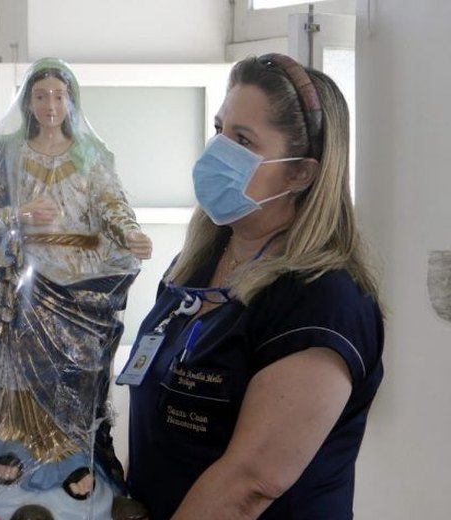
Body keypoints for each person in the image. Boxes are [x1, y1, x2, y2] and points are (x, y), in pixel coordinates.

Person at [122, 53, 384, 519]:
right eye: (219, 129)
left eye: (242, 140)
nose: (218, 151)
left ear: (300, 172)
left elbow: (251, 484)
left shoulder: (322, 301)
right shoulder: (195, 266)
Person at [0, 57, 151, 519]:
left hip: (82, 282)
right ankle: (18, 446)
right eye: (40, 95)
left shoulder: (91, 155)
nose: (50, 104)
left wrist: (129, 233)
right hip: (26, 281)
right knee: (24, 365)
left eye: (59, 95)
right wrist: (15, 217)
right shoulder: (7, 153)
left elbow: (112, 205)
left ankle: (72, 455)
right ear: (27, 102)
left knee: (77, 369)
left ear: (72, 101)